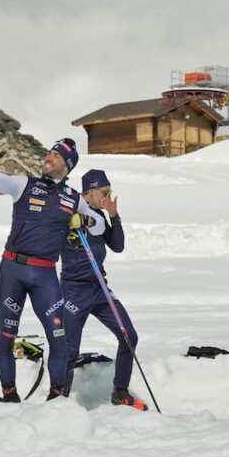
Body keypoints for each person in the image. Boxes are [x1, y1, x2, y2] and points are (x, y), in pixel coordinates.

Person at [0, 128, 105, 402]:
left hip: (44, 275)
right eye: (49, 152)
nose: (48, 157)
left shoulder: (73, 199)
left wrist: (85, 220)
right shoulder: (23, 184)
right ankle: (9, 394)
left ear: (67, 164)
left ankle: (57, 397)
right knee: (7, 334)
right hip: (12, 270)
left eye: (56, 155)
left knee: (58, 335)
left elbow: (100, 227)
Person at [59, 169, 146, 410]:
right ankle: (59, 400)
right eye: (105, 192)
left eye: (110, 192)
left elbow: (117, 246)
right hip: (74, 290)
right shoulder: (70, 212)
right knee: (69, 347)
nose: (108, 196)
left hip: (99, 289)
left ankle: (120, 391)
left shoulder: (98, 216)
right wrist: (69, 226)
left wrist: (114, 216)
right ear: (89, 192)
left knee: (129, 337)